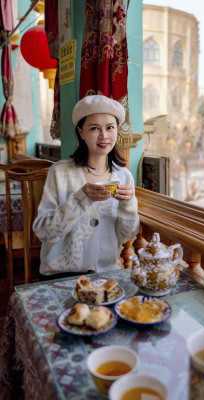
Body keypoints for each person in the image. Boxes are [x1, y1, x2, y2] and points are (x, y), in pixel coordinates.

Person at [33, 95, 140, 279]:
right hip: (61, 275)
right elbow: (44, 231)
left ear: (116, 131)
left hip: (106, 276)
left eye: (110, 127)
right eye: (94, 128)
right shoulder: (59, 173)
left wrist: (128, 204)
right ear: (81, 132)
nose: (104, 135)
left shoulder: (124, 177)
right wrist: (79, 199)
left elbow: (125, 236)